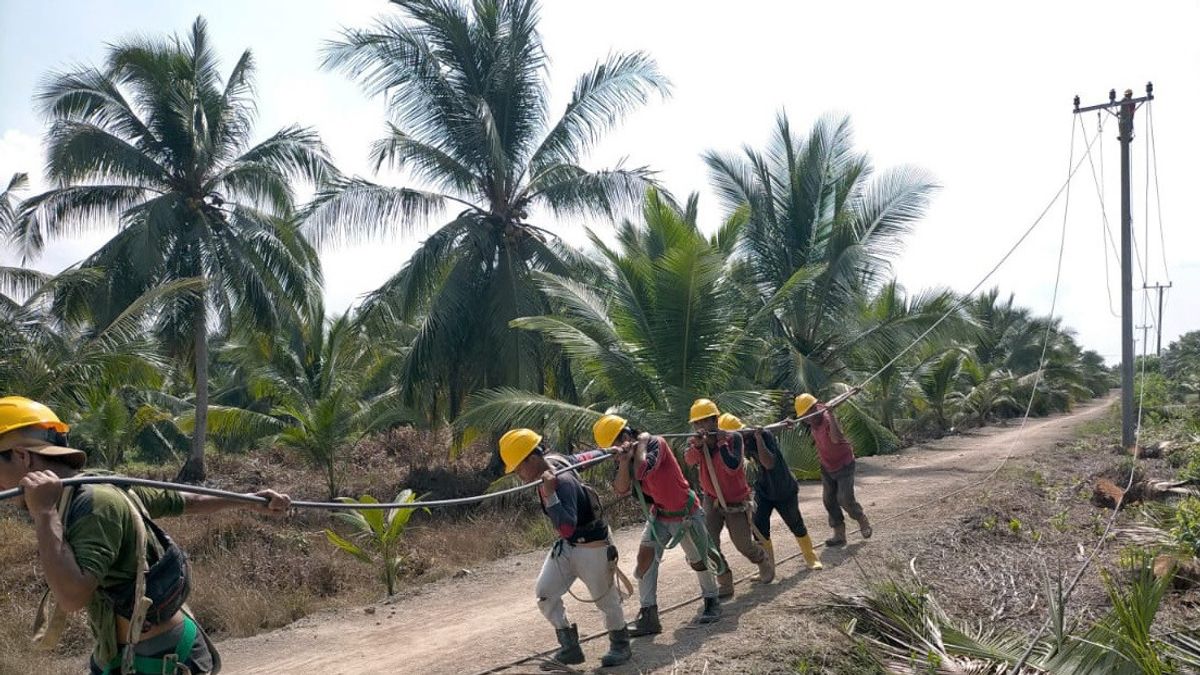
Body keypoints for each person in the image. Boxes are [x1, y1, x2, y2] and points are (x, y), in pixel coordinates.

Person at [0, 396, 290, 675]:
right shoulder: (91, 486)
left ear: (22, 456)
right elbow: (186, 501)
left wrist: (45, 513)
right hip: (118, 653)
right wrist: (250, 500)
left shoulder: (95, 502)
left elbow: (72, 597)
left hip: (158, 658)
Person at [498, 428, 630, 669]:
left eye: (519, 467)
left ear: (533, 458)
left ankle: (620, 643)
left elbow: (567, 527)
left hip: (592, 546)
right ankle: (570, 647)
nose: (518, 473)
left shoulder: (562, 482)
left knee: (606, 600)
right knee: (545, 593)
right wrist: (608, 451)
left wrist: (550, 496)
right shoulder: (557, 460)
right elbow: (581, 459)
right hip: (568, 547)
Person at [594, 414, 721, 637]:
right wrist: (624, 460)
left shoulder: (655, 444)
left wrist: (641, 443)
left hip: (685, 513)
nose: (614, 457)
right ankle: (649, 615)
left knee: (699, 559)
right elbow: (621, 488)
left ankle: (712, 600)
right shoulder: (627, 459)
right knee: (644, 561)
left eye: (614, 446)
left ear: (625, 436)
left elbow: (643, 470)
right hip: (659, 514)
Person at [682, 399, 774, 598]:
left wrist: (721, 443)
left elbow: (732, 467)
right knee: (708, 544)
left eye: (704, 422)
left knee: (743, 544)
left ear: (715, 420)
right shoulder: (697, 443)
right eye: (697, 423)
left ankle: (761, 559)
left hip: (735, 501)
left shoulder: (734, 439)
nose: (700, 427)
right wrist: (697, 447)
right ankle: (725, 580)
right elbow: (689, 461)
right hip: (711, 499)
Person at [717, 414, 823, 571]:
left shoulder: (763, 435)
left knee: (795, 523)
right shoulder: (737, 442)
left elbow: (769, 463)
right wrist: (783, 423)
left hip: (784, 488)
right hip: (764, 490)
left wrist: (759, 439)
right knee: (759, 528)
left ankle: (811, 557)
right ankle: (768, 567)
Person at [795, 393, 872, 546]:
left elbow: (837, 439)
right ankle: (839, 534)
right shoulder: (812, 421)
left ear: (814, 408)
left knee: (844, 498)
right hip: (827, 465)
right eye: (803, 417)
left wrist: (831, 413)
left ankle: (861, 518)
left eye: (808, 414)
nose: (807, 419)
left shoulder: (827, 417)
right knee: (829, 500)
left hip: (844, 464)